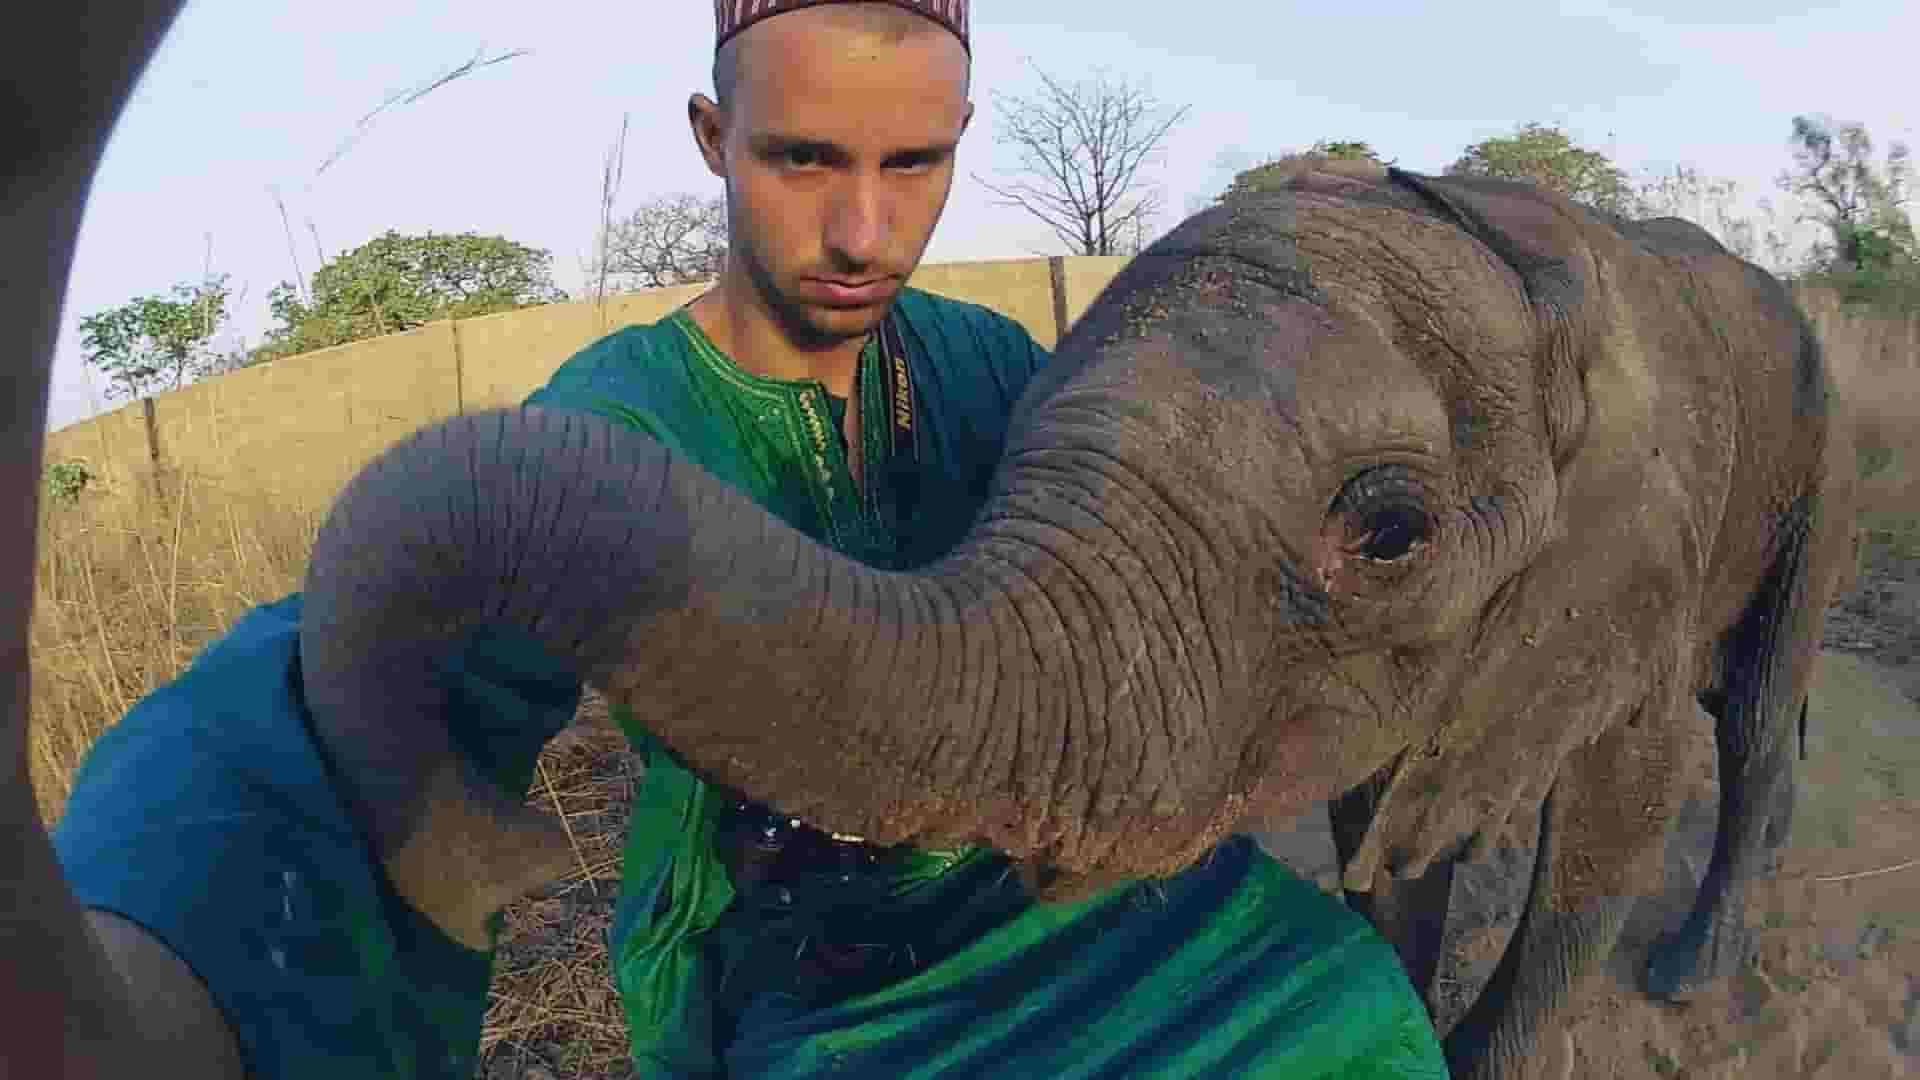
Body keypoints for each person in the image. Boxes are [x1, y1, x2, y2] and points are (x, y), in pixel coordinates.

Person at [21, 2, 1449, 1077]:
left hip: (1033, 905)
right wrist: (157, 953)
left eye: (917, 163)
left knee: (1344, 1002)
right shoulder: (622, 419)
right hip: (788, 971)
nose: (863, 227)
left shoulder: (990, 366)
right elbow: (367, 685)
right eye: (803, 158)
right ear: (713, 139)